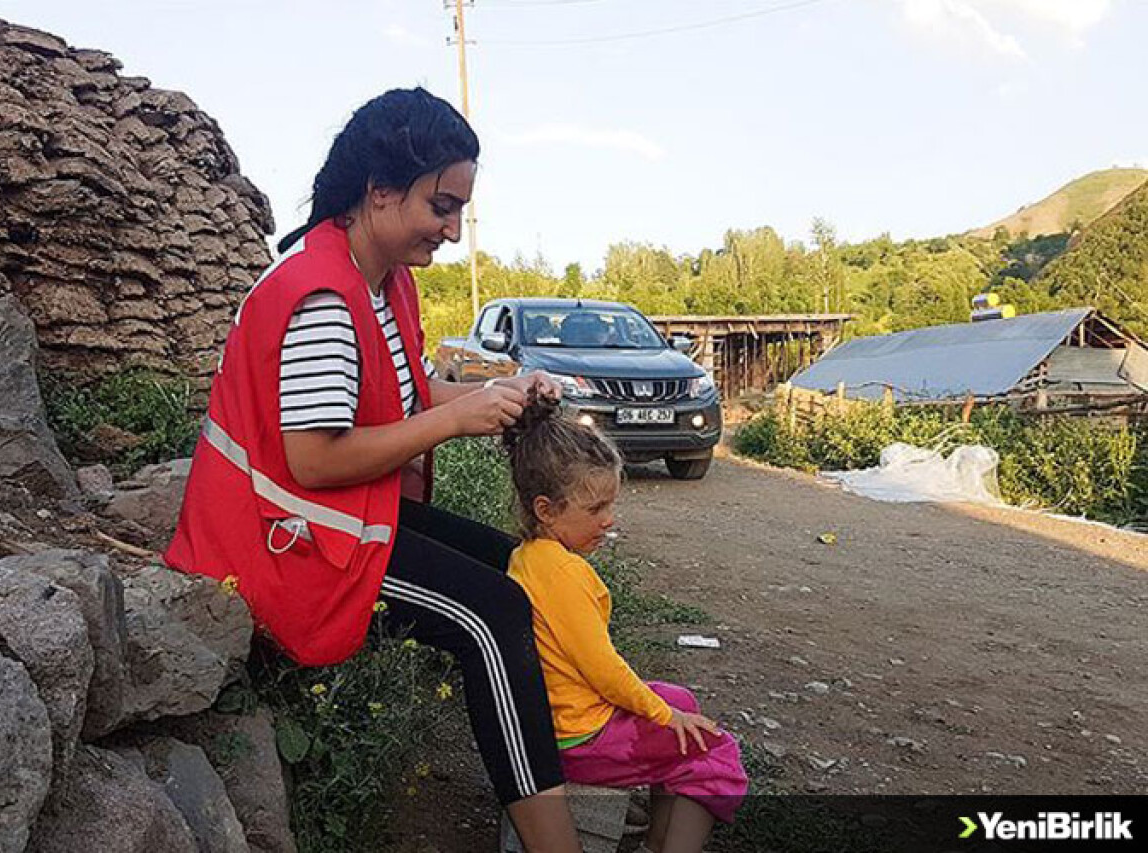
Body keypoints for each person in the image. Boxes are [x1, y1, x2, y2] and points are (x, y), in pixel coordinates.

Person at [164, 88, 583, 850]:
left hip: (334, 517)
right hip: (282, 539)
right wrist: (454, 419)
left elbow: (405, 391)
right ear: (380, 190)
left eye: (460, 209)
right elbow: (314, 458)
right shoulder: (320, 297)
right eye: (442, 205)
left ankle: (553, 769)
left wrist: (497, 394)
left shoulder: (382, 281)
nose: (453, 230)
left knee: (525, 569)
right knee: (495, 615)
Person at [503, 392, 748, 853]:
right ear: (545, 510)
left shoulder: (529, 557)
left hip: (561, 718)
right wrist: (663, 716)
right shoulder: (566, 573)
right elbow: (603, 669)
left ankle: (656, 835)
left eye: (610, 506)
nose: (609, 520)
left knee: (681, 699)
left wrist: (669, 708)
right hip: (581, 738)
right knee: (713, 748)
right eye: (595, 510)